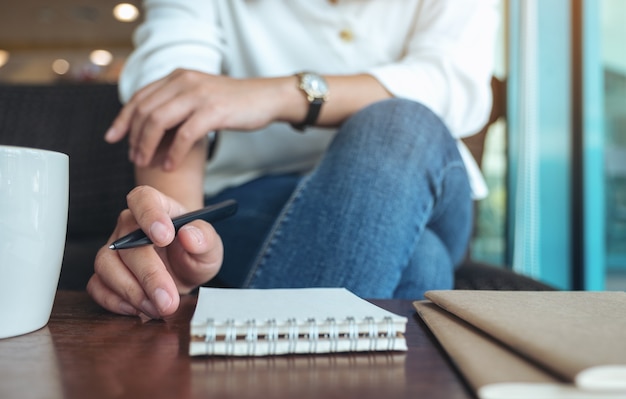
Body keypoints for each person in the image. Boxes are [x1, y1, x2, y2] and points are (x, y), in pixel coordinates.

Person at [87, 0, 499, 319]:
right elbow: (172, 96)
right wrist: (174, 240)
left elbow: (453, 84)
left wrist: (281, 95)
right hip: (257, 197)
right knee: (422, 260)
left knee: (399, 124)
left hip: (424, 192)